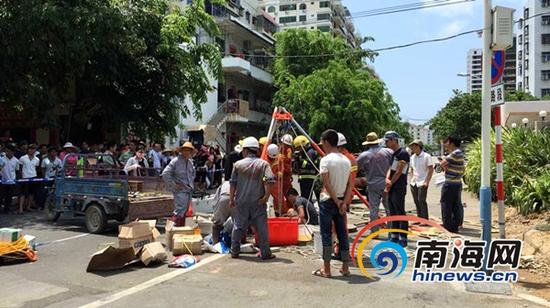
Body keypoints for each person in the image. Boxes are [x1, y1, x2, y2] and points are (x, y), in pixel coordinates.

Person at [313, 129, 353, 278]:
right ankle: (345, 267)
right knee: (342, 233)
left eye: (322, 143)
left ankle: (327, 269)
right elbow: (350, 184)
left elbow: (326, 183)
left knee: (326, 234)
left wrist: (336, 200)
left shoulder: (326, 160)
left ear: (326, 142)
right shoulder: (346, 160)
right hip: (342, 200)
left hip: (329, 201)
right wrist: (343, 203)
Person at [229, 137, 275, 260]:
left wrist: (231, 199)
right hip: (258, 201)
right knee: (261, 228)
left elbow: (233, 183)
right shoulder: (264, 164)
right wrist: (266, 197)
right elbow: (269, 180)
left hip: (242, 201)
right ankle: (265, 253)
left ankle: (234, 251)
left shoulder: (238, 165)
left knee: (238, 226)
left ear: (245, 150)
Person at [357, 132, 393, 234]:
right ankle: (391, 231)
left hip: (373, 185)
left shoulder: (364, 155)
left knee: (373, 209)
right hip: (386, 184)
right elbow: (394, 166)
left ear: (368, 143)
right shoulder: (388, 152)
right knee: (389, 208)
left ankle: (374, 231)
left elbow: (355, 168)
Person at [384, 131, 410, 248]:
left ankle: (403, 238)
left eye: (387, 141)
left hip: (399, 186)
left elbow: (399, 171)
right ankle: (394, 236)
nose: (386, 143)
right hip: (392, 185)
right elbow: (391, 168)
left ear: (394, 140)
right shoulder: (393, 154)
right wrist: (387, 179)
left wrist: (391, 182)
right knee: (393, 212)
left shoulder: (403, 153)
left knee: (400, 212)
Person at [162, 142, 196, 226]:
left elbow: (192, 174)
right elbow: (165, 173)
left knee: (185, 211)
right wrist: (174, 185)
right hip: (180, 191)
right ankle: (174, 230)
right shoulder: (175, 161)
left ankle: (181, 230)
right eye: (185, 150)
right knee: (179, 211)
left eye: (189, 150)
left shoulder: (190, 162)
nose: (187, 152)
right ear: (182, 151)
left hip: (188, 190)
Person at [439, 136, 465, 233]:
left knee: (446, 205)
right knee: (455, 205)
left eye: (446, 142)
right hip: (457, 183)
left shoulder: (454, 153)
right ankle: (454, 226)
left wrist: (441, 160)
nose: (445, 145)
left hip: (450, 184)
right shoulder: (459, 153)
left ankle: (447, 227)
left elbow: (440, 166)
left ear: (451, 143)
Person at [409, 140, 434, 221]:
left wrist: (427, 181)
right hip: (414, 182)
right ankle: (419, 218)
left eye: (413, 146)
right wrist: (411, 178)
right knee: (416, 201)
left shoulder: (426, 156)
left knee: (421, 200)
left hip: (422, 181)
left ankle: (424, 219)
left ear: (418, 146)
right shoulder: (412, 157)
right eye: (411, 146)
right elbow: (412, 169)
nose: (412, 148)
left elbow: (430, 169)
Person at [294, 135, 321, 204]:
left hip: (309, 179)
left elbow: (309, 165)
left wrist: (300, 160)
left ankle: (308, 212)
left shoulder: (310, 152)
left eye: (298, 148)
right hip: (305, 179)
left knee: (306, 199)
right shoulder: (304, 153)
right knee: (306, 198)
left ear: (303, 146)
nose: (298, 150)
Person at [337, 132, 358, 207]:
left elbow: (350, 181)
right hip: (344, 195)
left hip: (343, 195)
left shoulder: (346, 159)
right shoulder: (350, 158)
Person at [18, 144, 40, 214]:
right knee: (23, 194)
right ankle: (20, 209)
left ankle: (28, 207)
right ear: (28, 150)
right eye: (30, 149)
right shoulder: (22, 158)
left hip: (33, 177)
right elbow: (20, 168)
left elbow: (35, 168)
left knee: (31, 193)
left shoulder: (37, 159)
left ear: (35, 151)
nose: (32, 150)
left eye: (33, 149)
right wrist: (21, 176)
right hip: (25, 177)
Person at [0, 145, 18, 213]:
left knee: (9, 197)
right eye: (6, 151)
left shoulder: (16, 160)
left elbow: (16, 170)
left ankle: (6, 209)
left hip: (11, 181)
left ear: (13, 152)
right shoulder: (1, 159)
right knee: (1, 196)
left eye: (9, 151)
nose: (7, 152)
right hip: (2, 181)